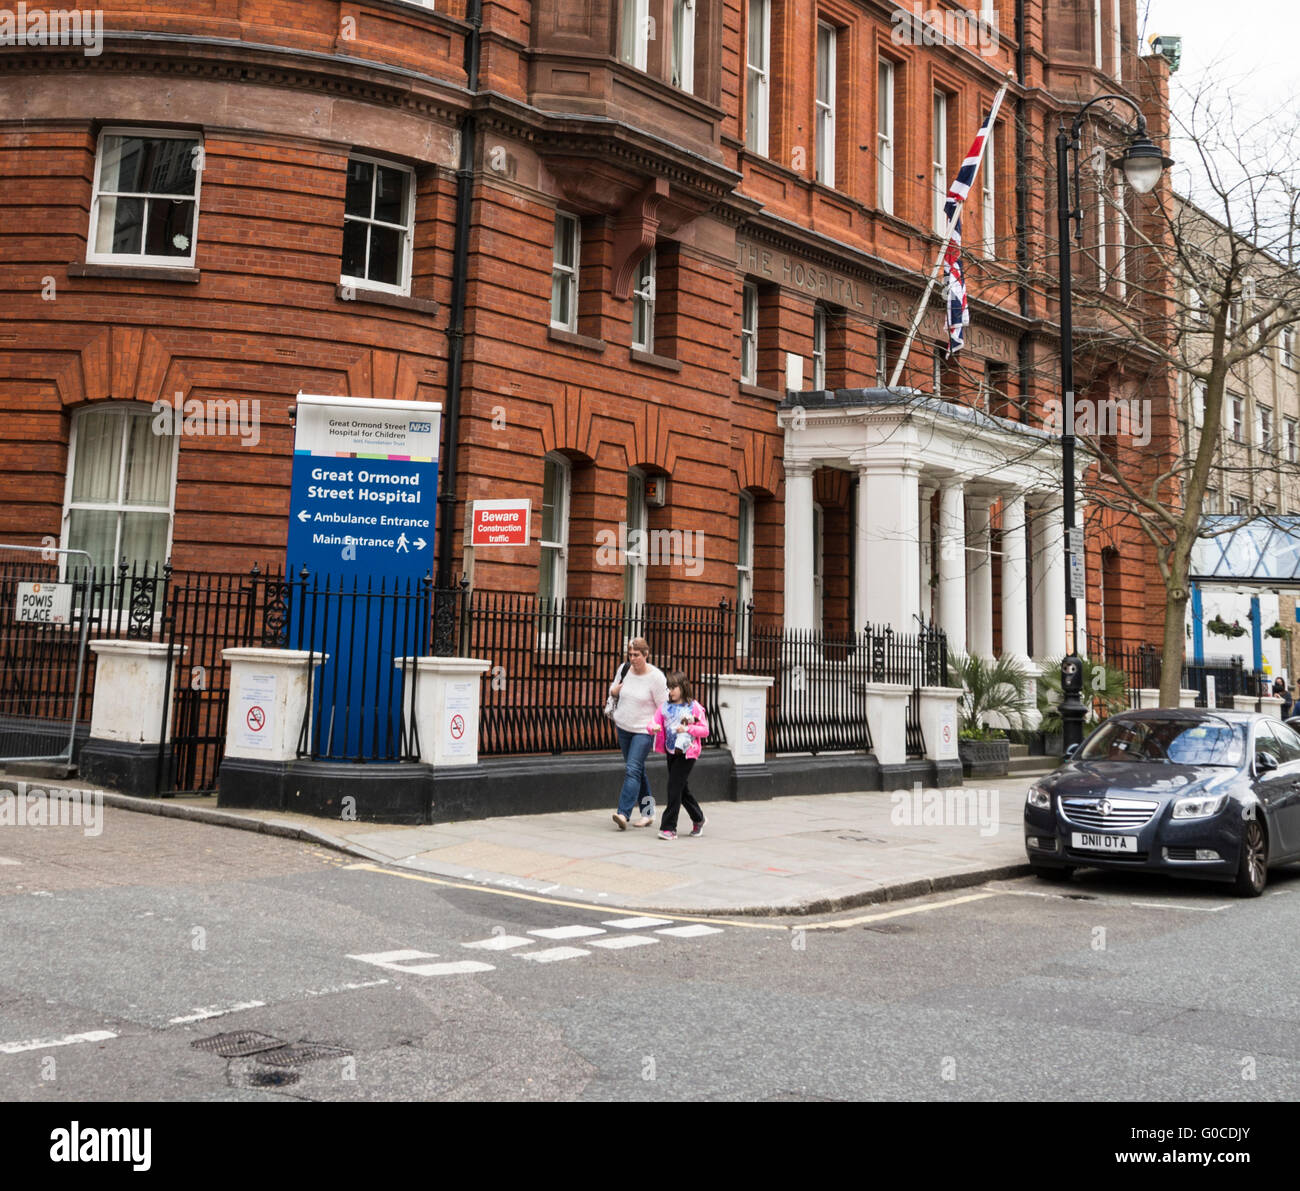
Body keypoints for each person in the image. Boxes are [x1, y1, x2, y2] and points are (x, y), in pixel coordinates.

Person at [609, 638, 667, 830]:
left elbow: (663, 706)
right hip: (623, 727)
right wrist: (614, 690)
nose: (633, 659)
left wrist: (657, 726)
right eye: (630, 654)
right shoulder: (624, 669)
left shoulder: (656, 677)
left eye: (637, 655)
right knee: (638, 770)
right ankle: (648, 812)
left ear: (646, 655)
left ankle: (623, 814)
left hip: (644, 730)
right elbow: (613, 690)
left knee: (632, 769)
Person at [646, 671, 709, 840]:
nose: (671, 691)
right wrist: (654, 728)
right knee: (682, 789)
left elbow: (705, 730)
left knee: (673, 787)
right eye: (669, 688)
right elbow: (652, 723)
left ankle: (669, 828)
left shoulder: (694, 707)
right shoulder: (665, 707)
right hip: (671, 751)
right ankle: (699, 818)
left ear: (683, 687)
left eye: (674, 687)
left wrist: (688, 729)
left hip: (687, 753)